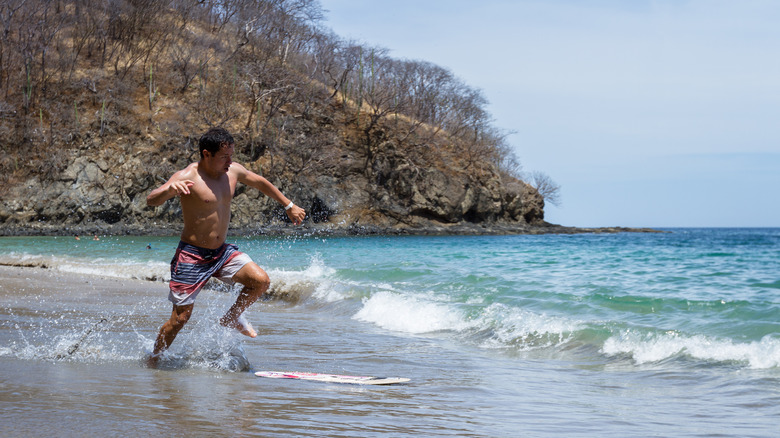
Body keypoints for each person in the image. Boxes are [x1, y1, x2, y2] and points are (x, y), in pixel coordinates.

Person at [145, 127, 306, 365]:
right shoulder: (188, 176)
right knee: (180, 320)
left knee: (260, 281)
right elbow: (151, 200)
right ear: (206, 154)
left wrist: (288, 204)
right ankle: (153, 359)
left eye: (231, 155)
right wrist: (169, 190)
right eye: (224, 157)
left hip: (221, 253)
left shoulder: (232, 171)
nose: (230, 162)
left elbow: (260, 182)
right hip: (191, 256)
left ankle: (232, 317)